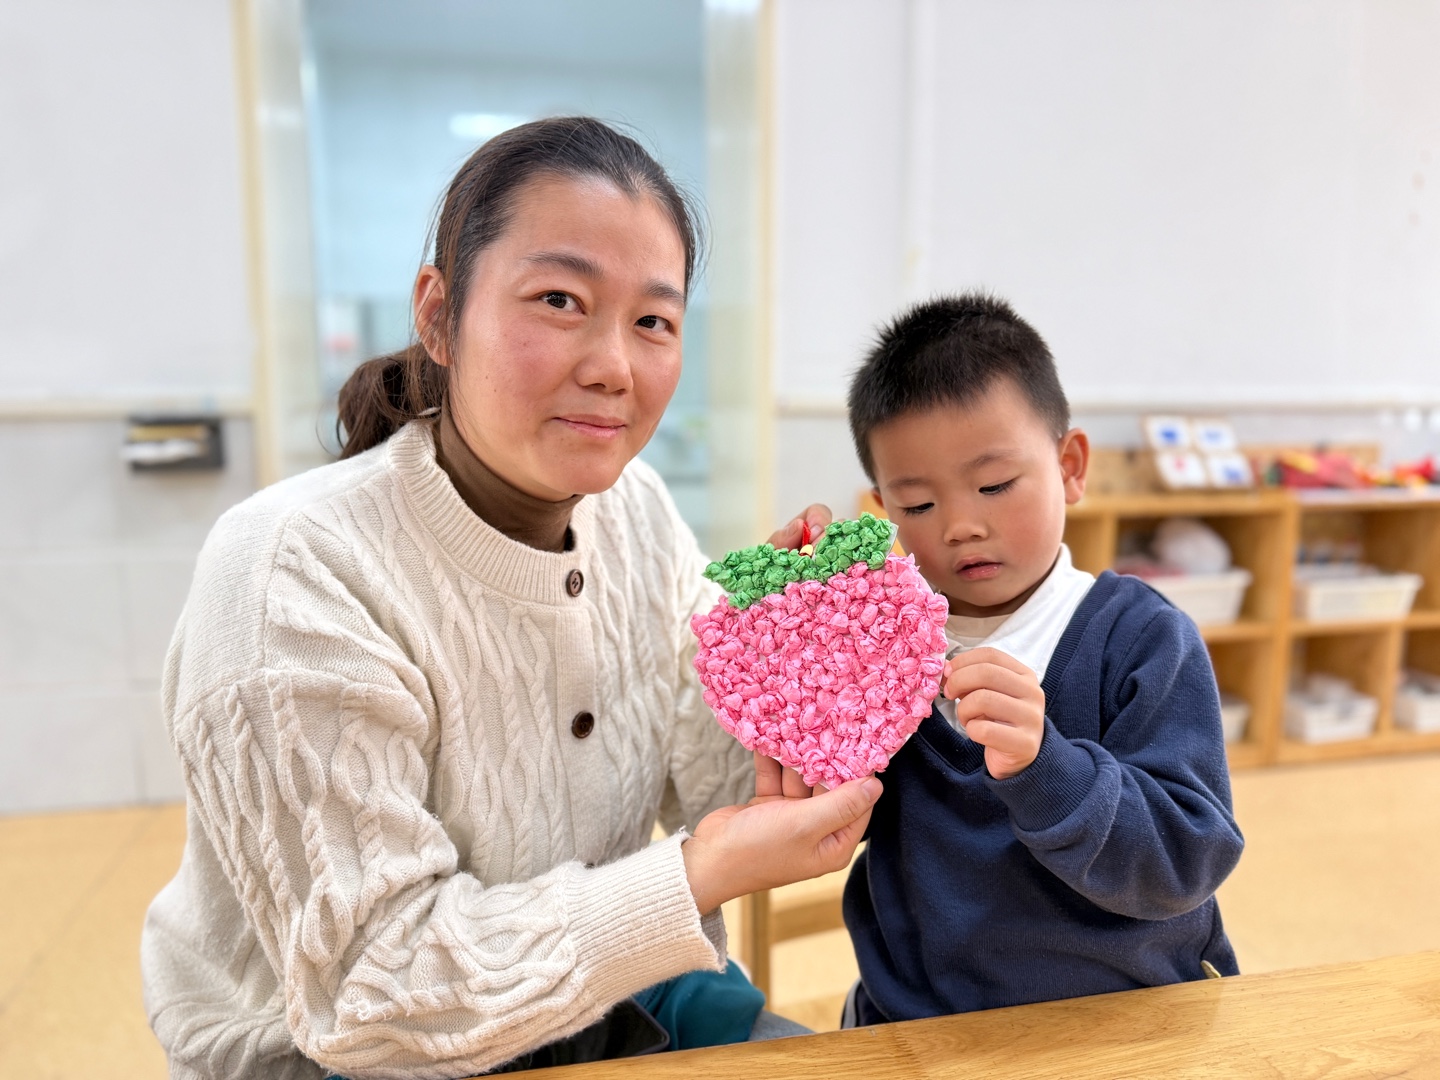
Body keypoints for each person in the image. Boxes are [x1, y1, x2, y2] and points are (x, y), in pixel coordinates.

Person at [141, 117, 881, 1080]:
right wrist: (700, 872)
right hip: (340, 1053)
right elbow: (372, 990)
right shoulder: (292, 569)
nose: (613, 365)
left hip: (611, 993)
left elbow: (717, 789)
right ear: (438, 314)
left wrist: (791, 674)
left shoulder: (638, 512)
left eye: (653, 321)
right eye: (560, 300)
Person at [840, 292, 1245, 1026]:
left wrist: (1048, 768)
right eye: (918, 506)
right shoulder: (881, 645)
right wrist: (799, 644)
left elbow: (1188, 858)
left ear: (1070, 467)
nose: (961, 526)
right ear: (882, 510)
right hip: (919, 1023)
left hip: (1124, 1019)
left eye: (995, 485)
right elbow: (829, 813)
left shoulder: (1144, 639)